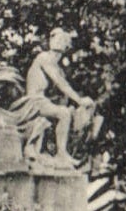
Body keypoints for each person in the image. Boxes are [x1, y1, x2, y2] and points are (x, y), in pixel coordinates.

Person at [20, 28, 91, 168]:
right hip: (34, 102)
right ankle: (62, 154)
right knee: (63, 113)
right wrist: (79, 100)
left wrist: (77, 106)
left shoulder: (55, 66)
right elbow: (60, 83)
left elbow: (63, 89)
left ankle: (63, 154)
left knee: (66, 112)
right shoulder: (44, 58)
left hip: (42, 101)